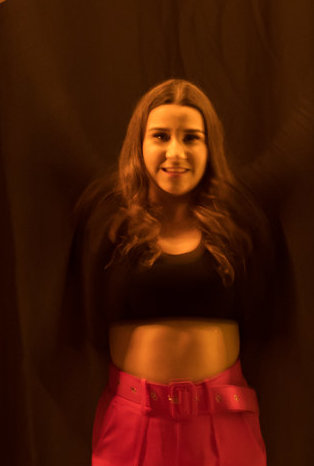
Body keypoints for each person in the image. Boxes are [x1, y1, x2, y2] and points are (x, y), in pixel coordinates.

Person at [85, 78, 268, 466]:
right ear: (140, 144)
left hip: (224, 423)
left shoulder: (237, 230)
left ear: (209, 148)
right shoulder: (112, 230)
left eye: (190, 137)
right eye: (161, 136)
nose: (175, 151)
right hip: (132, 425)